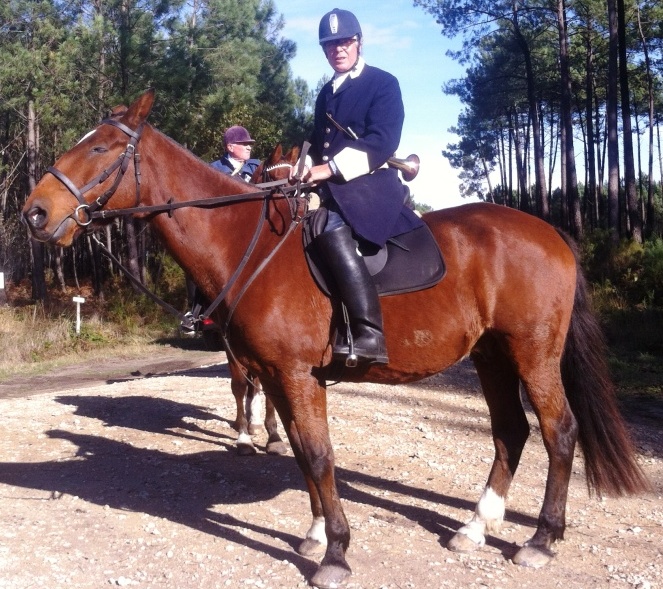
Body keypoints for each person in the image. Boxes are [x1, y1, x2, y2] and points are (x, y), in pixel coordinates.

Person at [293, 8, 424, 365]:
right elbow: (316, 141)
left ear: (359, 42)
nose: (338, 49)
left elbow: (383, 140)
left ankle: (369, 333)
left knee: (331, 226)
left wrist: (327, 169)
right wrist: (302, 166)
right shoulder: (326, 93)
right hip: (332, 185)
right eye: (330, 44)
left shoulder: (383, 83)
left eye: (345, 41)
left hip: (372, 182)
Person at [181, 125, 260, 333]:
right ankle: (196, 312)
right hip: (224, 230)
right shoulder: (212, 169)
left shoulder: (257, 167)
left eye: (249, 145)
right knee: (194, 261)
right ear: (230, 146)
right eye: (244, 144)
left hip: (256, 228)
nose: (249, 148)